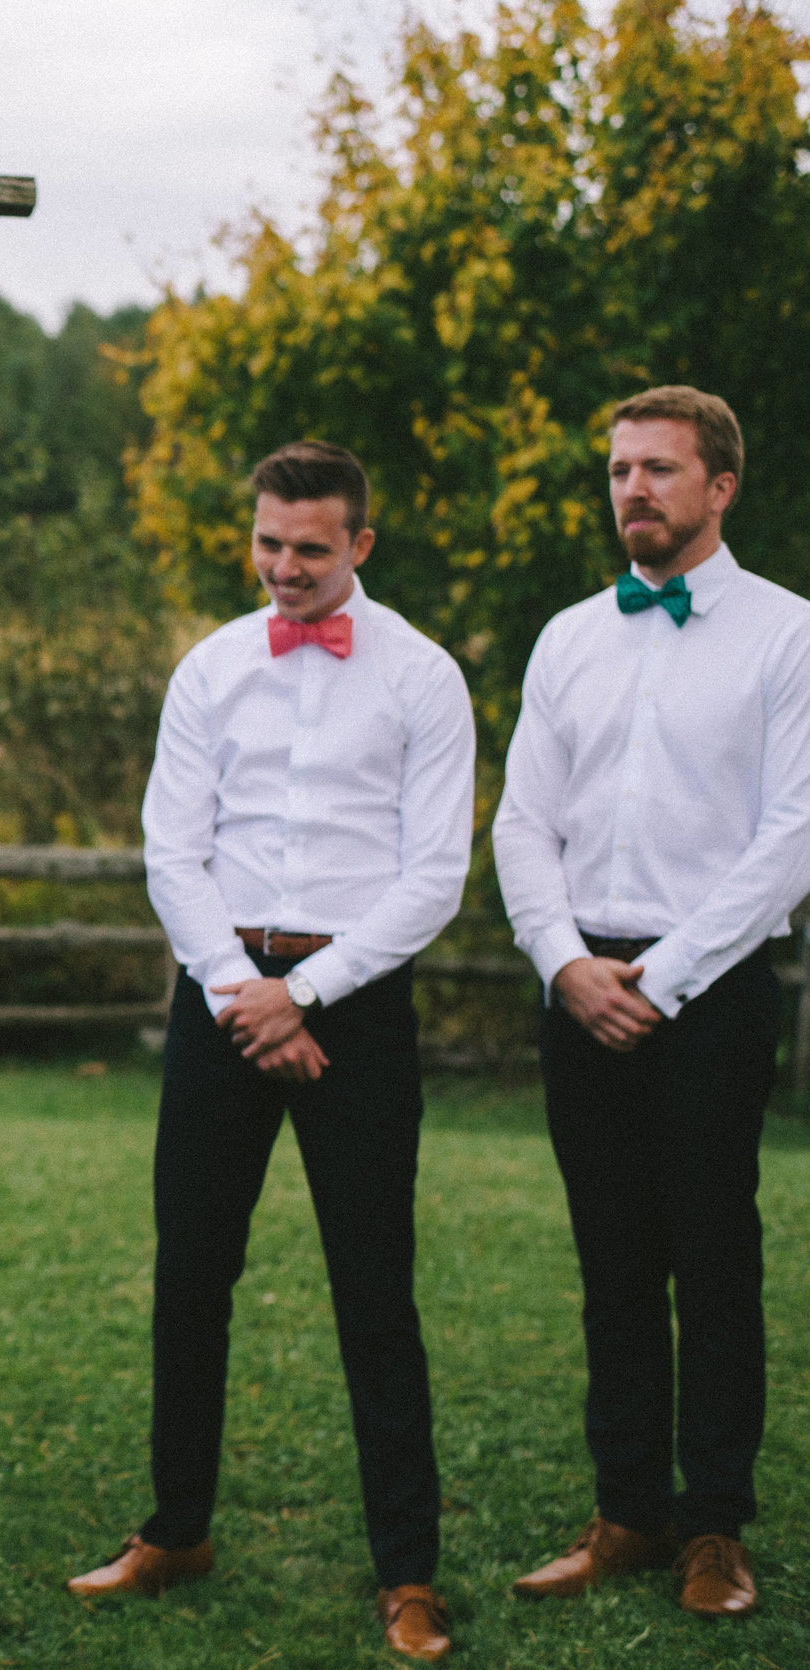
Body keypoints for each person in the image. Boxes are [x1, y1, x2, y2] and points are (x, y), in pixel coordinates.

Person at [71, 441, 474, 1663]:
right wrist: (242, 992)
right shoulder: (209, 670)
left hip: (352, 1000)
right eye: (267, 542)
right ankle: (174, 1527)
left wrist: (303, 994)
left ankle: (408, 1570)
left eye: (310, 545)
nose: (284, 566)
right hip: (219, 989)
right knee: (191, 1271)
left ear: (360, 542)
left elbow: (436, 875)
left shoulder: (423, 676)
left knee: (373, 1287)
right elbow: (169, 851)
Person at [492, 386, 810, 1621]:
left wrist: (665, 976)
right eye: (620, 467)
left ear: (718, 486)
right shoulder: (569, 636)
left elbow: (790, 837)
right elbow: (524, 820)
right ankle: (626, 1509)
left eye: (659, 469)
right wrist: (562, 962)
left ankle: (714, 1525)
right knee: (611, 1259)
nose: (632, 488)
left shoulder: (787, 633)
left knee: (713, 1254)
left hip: (713, 991)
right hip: (579, 990)